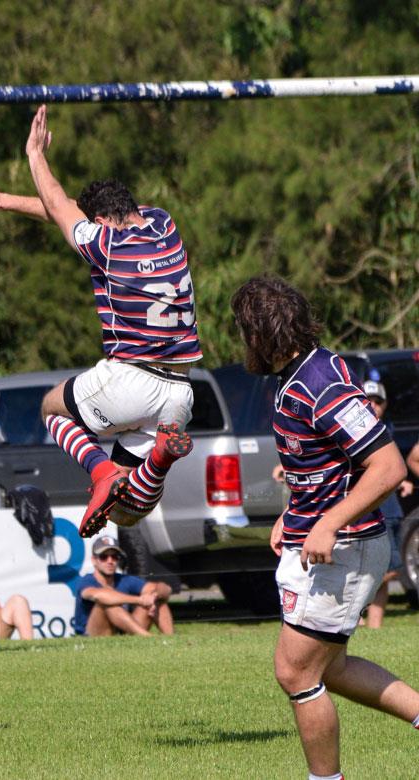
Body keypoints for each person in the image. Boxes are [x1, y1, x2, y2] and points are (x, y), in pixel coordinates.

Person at [0, 105, 198, 537]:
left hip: (132, 378)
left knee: (52, 409)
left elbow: (58, 203)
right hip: (180, 392)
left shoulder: (108, 245)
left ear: (103, 222)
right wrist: (4, 201)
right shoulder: (164, 223)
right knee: (127, 513)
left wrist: (36, 156)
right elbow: (64, 211)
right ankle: (160, 458)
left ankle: (99, 471)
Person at [231, 276, 419, 780]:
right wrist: (294, 519)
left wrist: (329, 523)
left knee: (295, 671)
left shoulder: (322, 385)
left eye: (244, 331)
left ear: (262, 332)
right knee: (329, 669)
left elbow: (388, 466)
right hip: (327, 541)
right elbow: (326, 464)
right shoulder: (301, 373)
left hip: (346, 548)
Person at [357, 379, 413, 628]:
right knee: (385, 568)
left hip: (389, 506)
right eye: (367, 400)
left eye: (378, 401)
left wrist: (403, 481)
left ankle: (374, 626)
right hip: (365, 506)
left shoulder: (386, 429)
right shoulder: (351, 430)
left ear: (385, 404)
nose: (373, 405)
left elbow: (394, 465)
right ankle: (356, 610)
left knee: (388, 567)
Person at [70, 535, 174, 637]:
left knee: (159, 600)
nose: (110, 561)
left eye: (114, 557)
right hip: (91, 637)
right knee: (107, 603)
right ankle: (148, 637)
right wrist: (140, 600)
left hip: (122, 632)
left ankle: (171, 640)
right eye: (103, 557)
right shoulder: (87, 581)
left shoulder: (124, 579)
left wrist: (154, 596)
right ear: (94, 560)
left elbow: (166, 589)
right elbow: (100, 596)